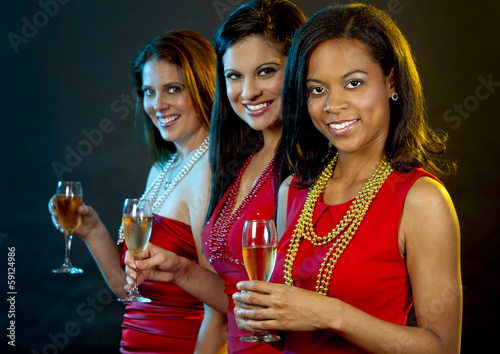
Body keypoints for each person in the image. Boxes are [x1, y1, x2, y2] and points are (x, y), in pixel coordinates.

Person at [232, 3, 462, 353]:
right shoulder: (291, 192)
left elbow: (442, 348)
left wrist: (331, 314)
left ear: (391, 82)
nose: (332, 105)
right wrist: (266, 318)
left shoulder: (421, 200)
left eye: (353, 83)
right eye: (317, 89)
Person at [124, 1, 306, 352]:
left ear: (298, 67)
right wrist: (180, 271)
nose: (248, 92)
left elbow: (302, 309)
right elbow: (232, 305)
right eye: (234, 76)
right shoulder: (240, 163)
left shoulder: (310, 167)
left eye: (266, 71)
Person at [50, 30, 227, 353]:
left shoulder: (208, 175)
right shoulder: (162, 168)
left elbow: (220, 306)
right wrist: (92, 231)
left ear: (204, 87)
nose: (158, 105)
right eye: (148, 91)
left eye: (173, 89)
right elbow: (128, 288)